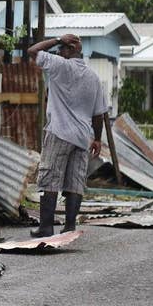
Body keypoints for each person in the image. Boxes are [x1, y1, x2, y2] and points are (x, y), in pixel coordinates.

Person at [28, 34, 109, 237]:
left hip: (59, 132)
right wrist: (97, 139)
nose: (58, 53)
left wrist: (56, 39)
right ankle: (69, 225)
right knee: (75, 181)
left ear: (70, 50)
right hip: (82, 137)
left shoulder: (59, 66)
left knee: (50, 177)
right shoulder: (93, 77)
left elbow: (33, 51)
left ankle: (46, 227)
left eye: (61, 49)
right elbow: (99, 114)